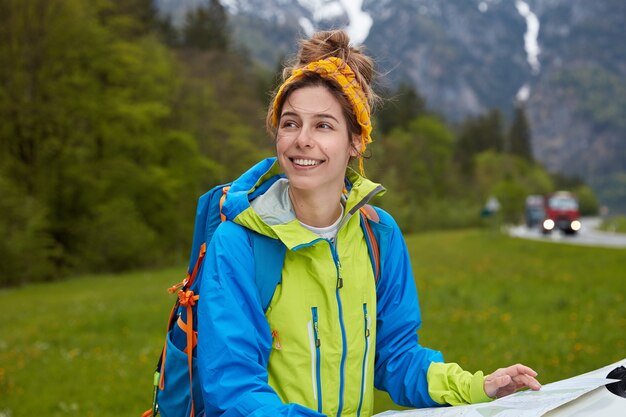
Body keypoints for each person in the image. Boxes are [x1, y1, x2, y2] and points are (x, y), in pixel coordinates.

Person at [196, 29, 541, 417]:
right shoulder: (240, 242)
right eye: (290, 123)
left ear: (356, 141)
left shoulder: (378, 235)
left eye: (323, 126)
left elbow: (395, 357)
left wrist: (477, 386)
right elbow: (233, 388)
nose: (301, 140)